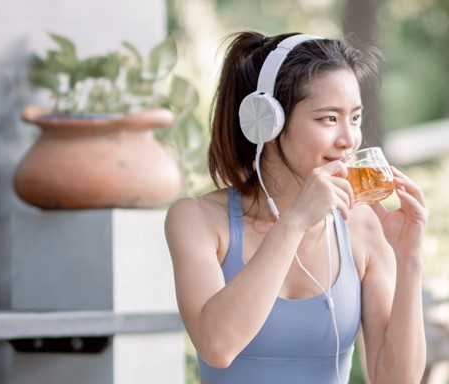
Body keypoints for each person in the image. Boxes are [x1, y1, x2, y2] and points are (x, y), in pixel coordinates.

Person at [164, 30, 427, 384]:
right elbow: (218, 346)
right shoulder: (196, 220)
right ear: (266, 121)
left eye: (355, 118)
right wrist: (295, 222)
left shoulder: (364, 226)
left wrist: (409, 259)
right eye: (328, 119)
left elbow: (395, 380)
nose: (349, 139)